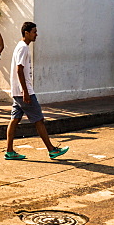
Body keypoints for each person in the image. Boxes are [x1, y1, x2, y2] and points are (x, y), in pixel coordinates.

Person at [5, 22, 69, 161]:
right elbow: (19, 69)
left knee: (14, 120)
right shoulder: (23, 48)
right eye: (34, 32)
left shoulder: (20, 46)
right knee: (39, 120)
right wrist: (26, 92)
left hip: (18, 92)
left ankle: (9, 151)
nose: (36, 34)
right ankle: (52, 150)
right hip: (23, 92)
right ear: (26, 33)